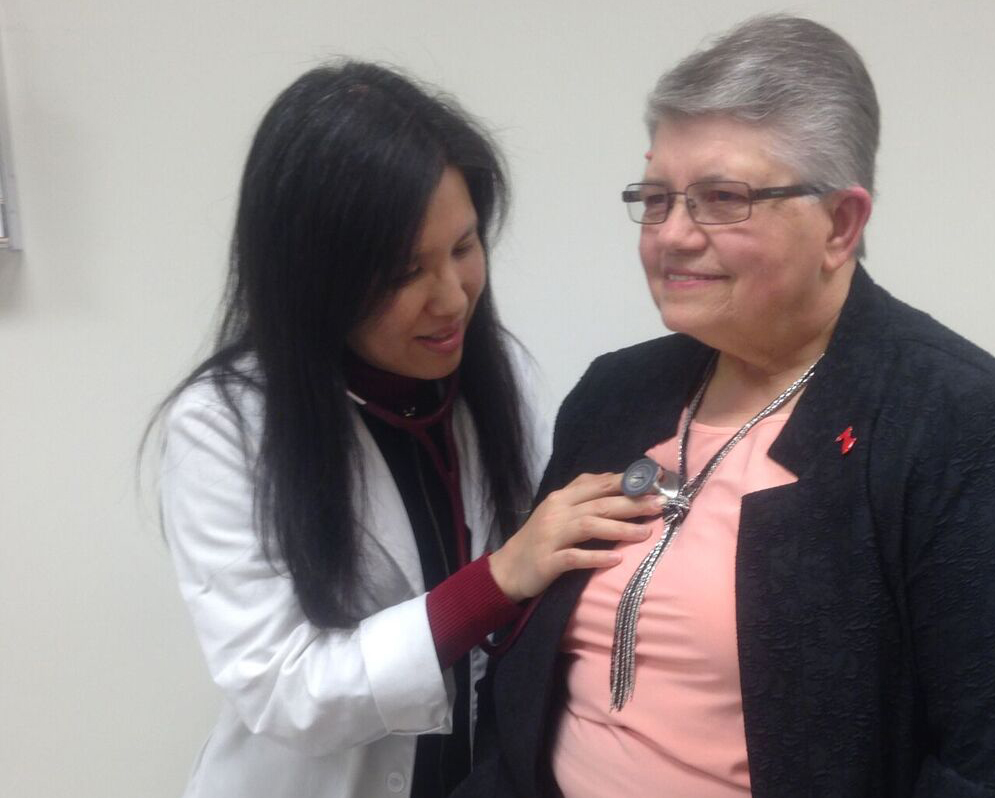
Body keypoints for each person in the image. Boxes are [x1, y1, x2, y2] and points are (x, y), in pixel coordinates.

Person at [457, 14, 995, 798]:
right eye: (657, 198)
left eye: (722, 198)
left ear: (840, 223)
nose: (672, 235)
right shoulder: (614, 395)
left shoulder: (970, 429)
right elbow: (525, 682)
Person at [154, 62, 656, 798]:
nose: (453, 298)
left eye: (463, 247)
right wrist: (498, 580)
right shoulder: (224, 427)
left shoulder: (495, 376)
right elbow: (282, 689)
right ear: (311, 276)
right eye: (403, 272)